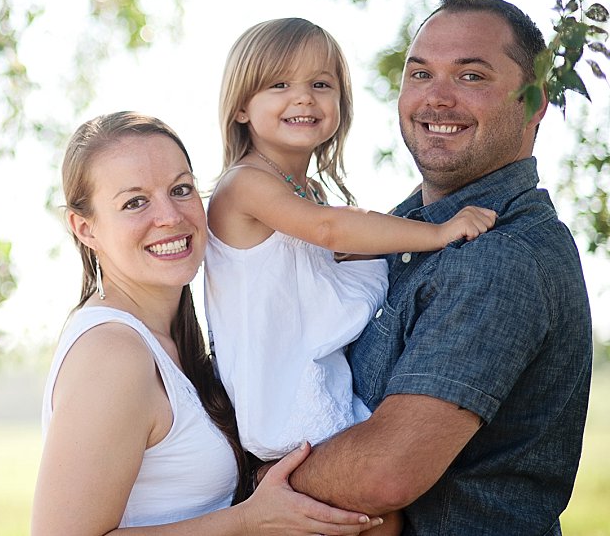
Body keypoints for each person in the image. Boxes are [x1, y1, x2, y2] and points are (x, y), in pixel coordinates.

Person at [286, 0, 593, 535]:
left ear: (534, 103)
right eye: (420, 74)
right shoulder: (404, 230)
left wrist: (252, 483)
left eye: (471, 76)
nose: (436, 98)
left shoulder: (500, 256)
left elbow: (384, 472)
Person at [31, 111, 382, 536]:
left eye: (181, 189)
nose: (170, 216)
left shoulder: (173, 338)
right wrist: (249, 521)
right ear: (85, 228)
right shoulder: (112, 354)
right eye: (135, 202)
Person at [204, 18, 495, 462]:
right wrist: (438, 232)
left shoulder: (309, 194)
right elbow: (331, 230)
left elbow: (349, 238)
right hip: (276, 402)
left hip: (314, 385)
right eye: (279, 84)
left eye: (321, 84)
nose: (304, 97)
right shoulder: (244, 184)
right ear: (241, 107)